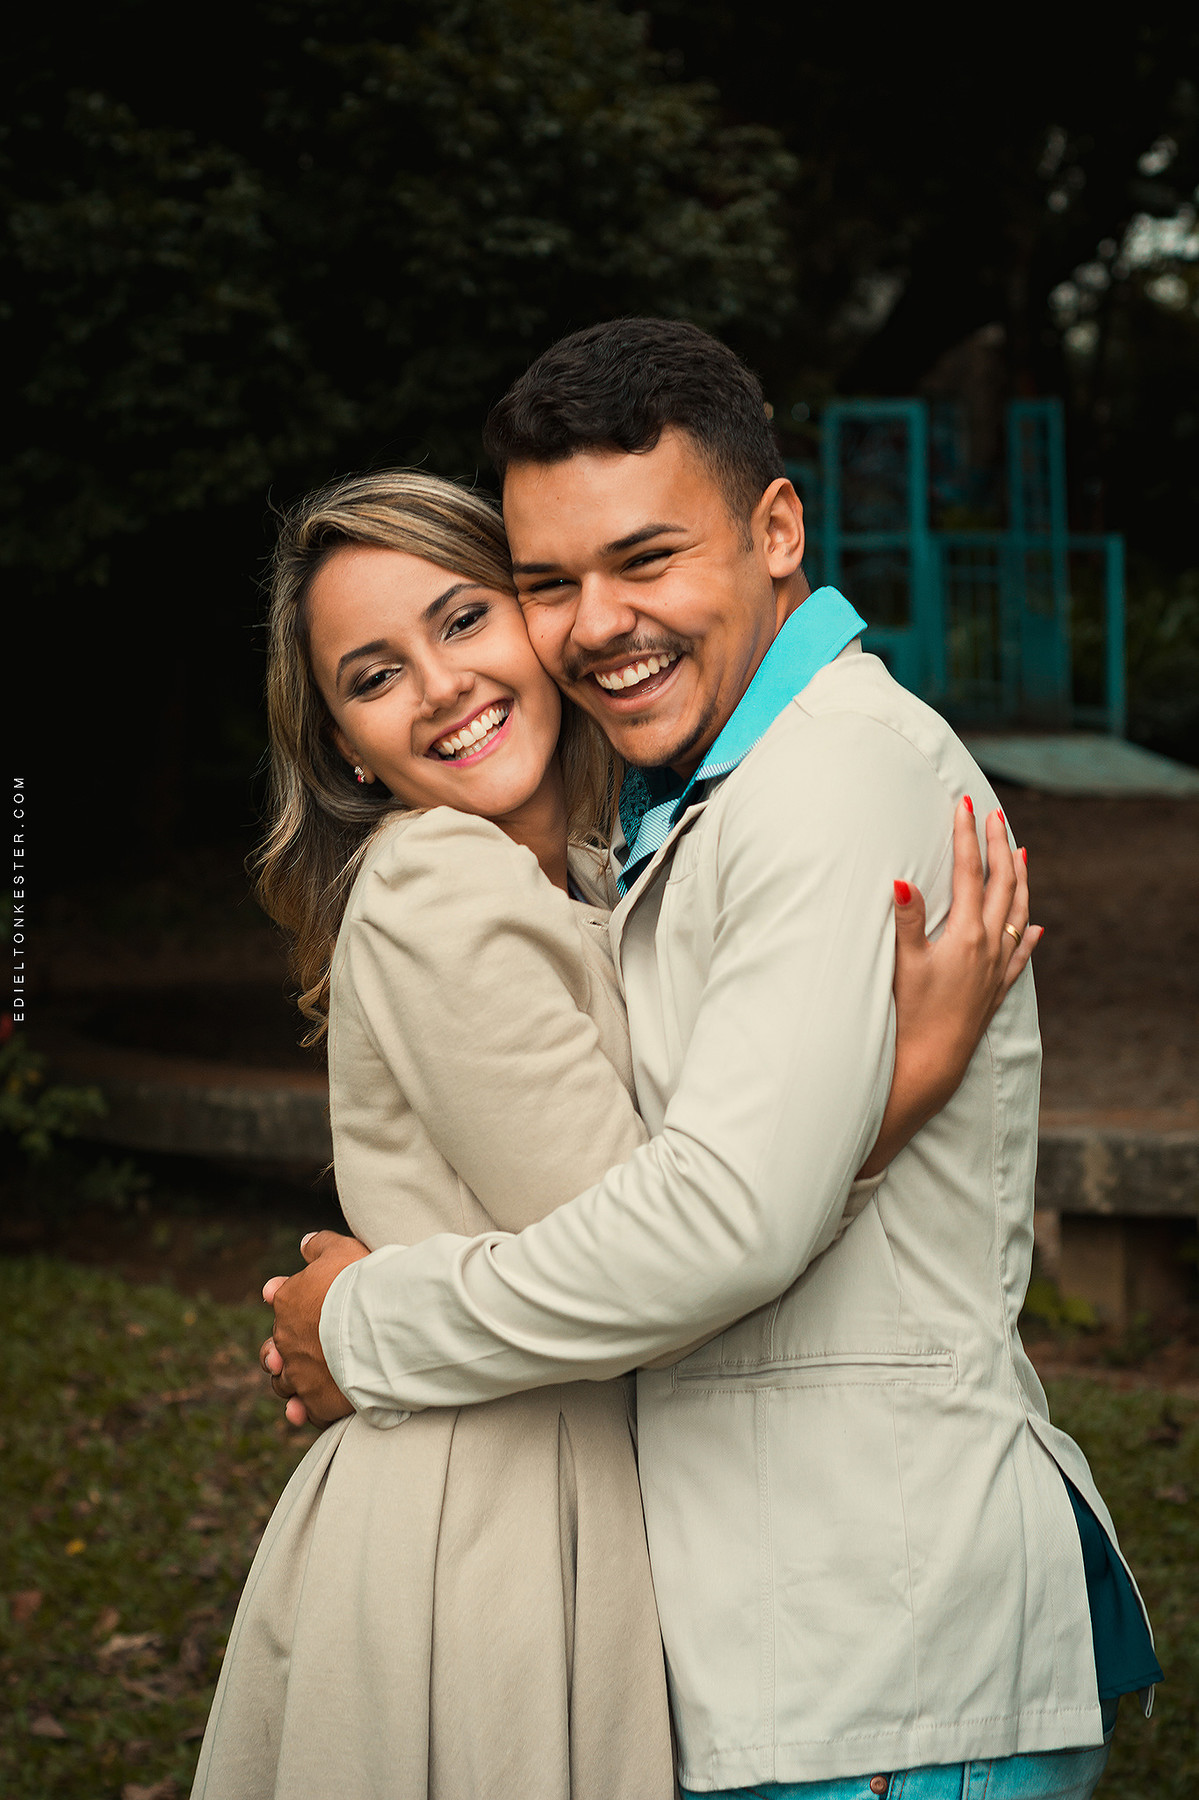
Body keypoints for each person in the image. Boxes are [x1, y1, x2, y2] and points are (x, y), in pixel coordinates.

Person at [266, 321, 1161, 1800]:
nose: (598, 621)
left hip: (872, 1664)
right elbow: (698, 1197)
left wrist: (363, 1325)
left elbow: (714, 1223)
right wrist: (876, 1114)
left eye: (648, 559)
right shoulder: (671, 818)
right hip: (794, 1648)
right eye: (549, 582)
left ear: (777, 530)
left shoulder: (822, 777)